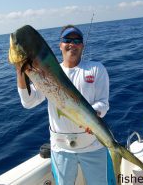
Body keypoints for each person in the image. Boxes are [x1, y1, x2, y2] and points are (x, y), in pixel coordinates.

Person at [15, 25, 114, 185]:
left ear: (82, 45)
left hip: (93, 146)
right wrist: (20, 72)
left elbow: (103, 103)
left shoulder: (96, 69)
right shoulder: (46, 73)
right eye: (67, 40)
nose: (72, 44)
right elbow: (28, 102)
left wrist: (92, 117)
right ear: (60, 45)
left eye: (77, 40)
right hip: (61, 149)